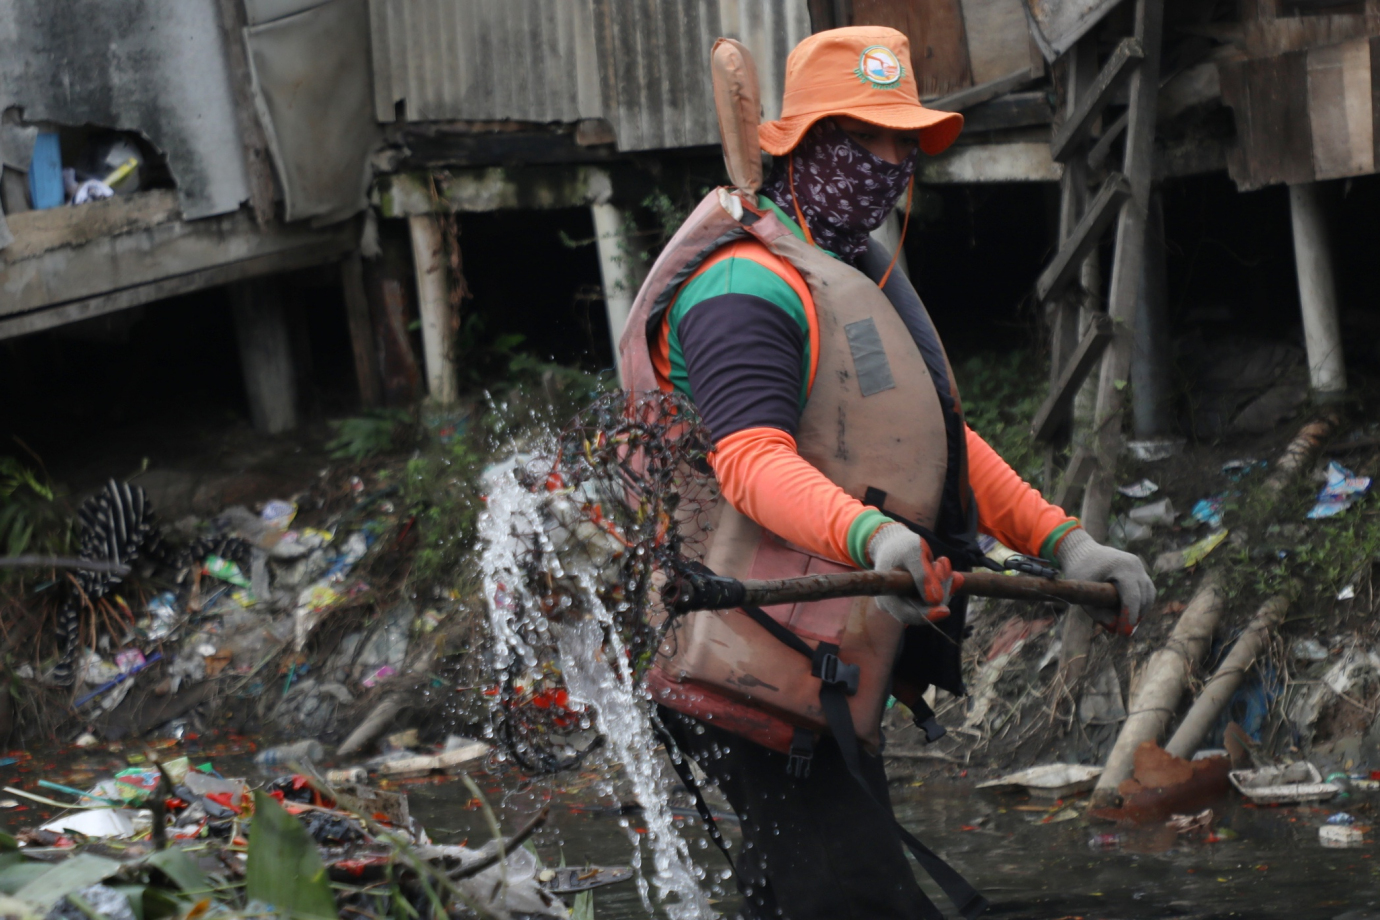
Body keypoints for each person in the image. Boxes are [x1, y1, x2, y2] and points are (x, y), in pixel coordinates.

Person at [618, 26, 1156, 920]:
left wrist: (1067, 543)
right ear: (802, 144)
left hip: (823, 662)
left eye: (900, 141)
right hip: (745, 661)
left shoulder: (847, 276)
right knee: (855, 898)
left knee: (809, 894)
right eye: (861, 138)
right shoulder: (742, 290)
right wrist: (875, 536)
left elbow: (936, 445)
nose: (888, 161)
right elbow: (750, 462)